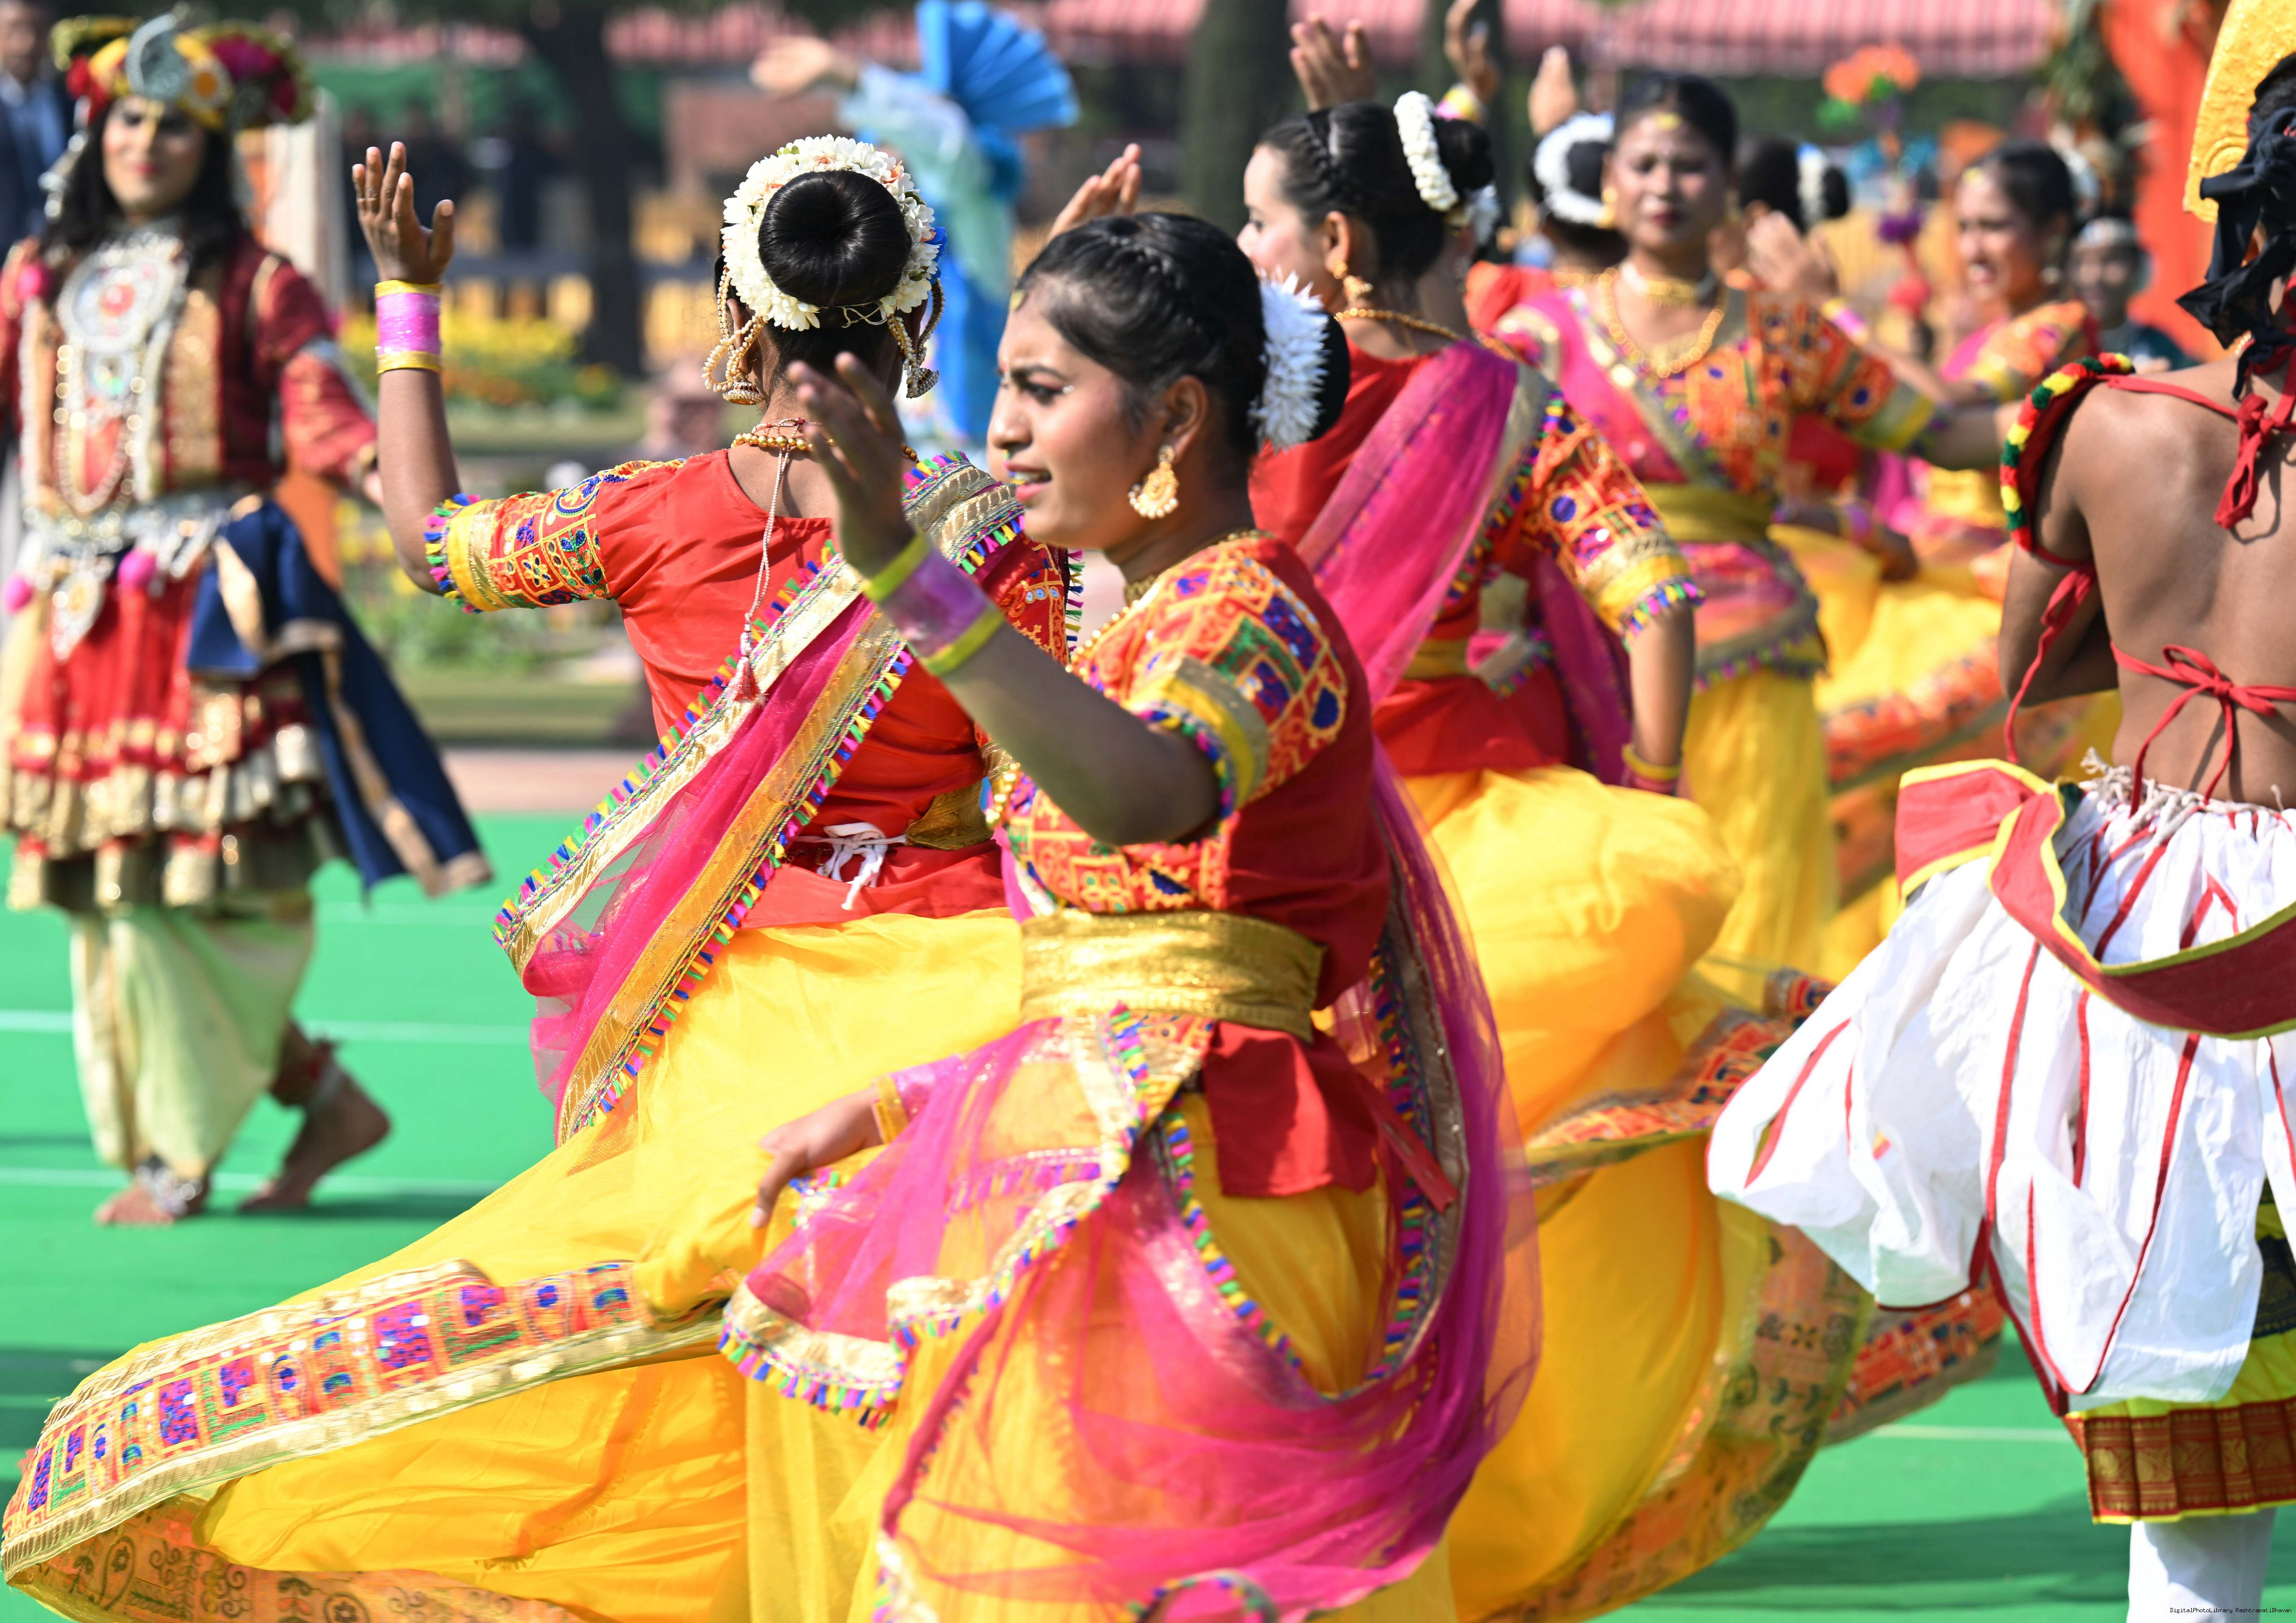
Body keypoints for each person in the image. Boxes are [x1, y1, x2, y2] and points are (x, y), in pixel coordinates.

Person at [0, 132, 1071, 1622]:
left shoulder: (651, 515)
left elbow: (435, 544)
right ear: (919, 316)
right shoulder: (1006, 543)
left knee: (713, 1325)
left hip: (733, 1011)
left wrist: (412, 303)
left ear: (737, 316)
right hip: (960, 1003)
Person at [718, 208, 1534, 1619]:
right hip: (1091, 1162)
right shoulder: (1135, 627)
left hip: (1214, 1189)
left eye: (1042, 390)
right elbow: (1109, 978)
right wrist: (908, 1102)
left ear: (1175, 418)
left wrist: (914, 583)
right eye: (1003, 388)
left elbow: (1150, 800)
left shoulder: (1252, 616)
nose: (1004, 432)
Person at [1234, 92, 1887, 1619]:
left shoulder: (1240, 384)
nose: (1247, 247)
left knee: (1273, 1168)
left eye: (1264, 222)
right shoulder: (1513, 407)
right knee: (1468, 1173)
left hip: (1270, 818)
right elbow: (1651, 593)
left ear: (1334, 239)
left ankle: (1275, 1485)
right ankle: (1468, 1484)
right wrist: (1645, 784)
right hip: (1485, 832)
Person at [1712, 20, 2296, 1617]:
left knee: (2196, 1420)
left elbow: (2030, 675)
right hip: (2260, 937)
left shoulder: (2102, 422)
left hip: (2140, 910)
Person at [0, 14, 485, 1227]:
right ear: (94, 132)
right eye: (130, 119)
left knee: (208, 888)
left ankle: (181, 1150)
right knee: (107, 890)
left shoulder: (259, 282)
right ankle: (317, 1099)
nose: (148, 142)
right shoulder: (37, 278)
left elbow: (327, 419)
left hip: (198, 618)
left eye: (178, 127)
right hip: (67, 617)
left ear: (213, 150)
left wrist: (417, 500)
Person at [1493, 71, 2004, 978]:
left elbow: (1938, 432)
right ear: (1608, 179)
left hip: (1753, 670)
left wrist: (2087, 410)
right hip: (1587, 659)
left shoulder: (1782, 331)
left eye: (1689, 165)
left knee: (1750, 916)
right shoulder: (1541, 336)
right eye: (1643, 164)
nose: (1664, 184)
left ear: (1728, 184)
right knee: (1596, 924)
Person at [751, 1, 1077, 450]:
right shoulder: (869, 254)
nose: (890, 162)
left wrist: (853, 79)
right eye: (879, 148)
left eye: (904, 143)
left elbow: (950, 151)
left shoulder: (975, 224)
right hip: (881, 454)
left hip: (968, 457)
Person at [2070, 212, 2194, 372]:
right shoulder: (2054, 346)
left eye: (2110, 260)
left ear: (2138, 266)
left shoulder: (2160, 348)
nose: (2093, 277)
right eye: (2080, 263)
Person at [0, 0, 66, 249]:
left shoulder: (71, 99)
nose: (26, 44)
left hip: (63, 247)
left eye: (38, 29)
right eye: (14, 29)